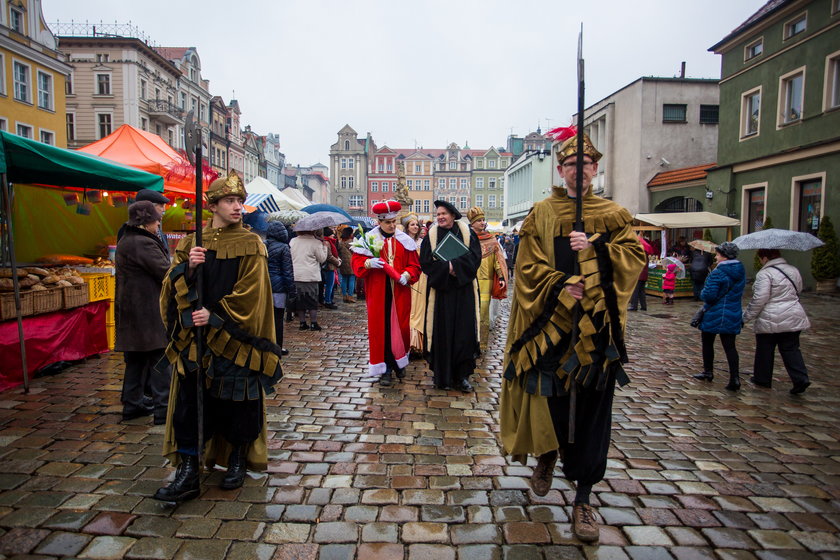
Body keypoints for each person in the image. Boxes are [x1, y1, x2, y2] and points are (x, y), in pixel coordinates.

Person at [499, 131, 645, 543]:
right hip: (552, 327)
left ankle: (583, 498)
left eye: (585, 166)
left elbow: (634, 259)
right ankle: (547, 452)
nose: (578, 172)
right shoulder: (542, 213)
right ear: (560, 171)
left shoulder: (615, 215)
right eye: (570, 166)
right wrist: (563, 282)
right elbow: (527, 268)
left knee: (595, 414)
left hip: (597, 331)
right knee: (552, 402)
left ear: (595, 170)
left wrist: (596, 252)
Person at [154, 171, 282, 503]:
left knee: (237, 401)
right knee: (190, 403)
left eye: (240, 200)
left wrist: (216, 316)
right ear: (213, 205)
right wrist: (189, 269)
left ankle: (237, 457)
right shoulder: (190, 242)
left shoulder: (252, 242)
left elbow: (252, 293)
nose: (238, 206)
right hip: (195, 339)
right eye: (230, 201)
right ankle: (188, 469)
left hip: (234, 339)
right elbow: (170, 287)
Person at [352, 201, 421, 387]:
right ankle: (385, 369)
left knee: (401, 328)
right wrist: (367, 264)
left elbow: (415, 265)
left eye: (394, 221)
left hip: (399, 293)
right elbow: (356, 263)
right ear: (379, 222)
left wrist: (407, 275)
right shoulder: (368, 239)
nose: (392, 225)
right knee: (381, 330)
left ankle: (399, 362)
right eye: (388, 222)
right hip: (378, 293)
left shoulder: (405, 241)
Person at [115, 201, 172, 425]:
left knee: (136, 360)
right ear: (146, 222)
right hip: (147, 310)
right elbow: (165, 272)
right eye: (156, 222)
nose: (158, 226)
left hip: (132, 309)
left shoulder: (127, 239)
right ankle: (164, 409)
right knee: (160, 359)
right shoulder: (142, 243)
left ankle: (132, 404)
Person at [419, 200, 481, 392]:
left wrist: (457, 267)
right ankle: (442, 376)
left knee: (463, 332)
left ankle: (462, 376)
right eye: (437, 214)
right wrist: (448, 268)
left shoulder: (467, 233)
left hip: (463, 290)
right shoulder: (431, 235)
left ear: (453, 216)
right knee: (442, 332)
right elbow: (426, 262)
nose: (440, 217)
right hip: (441, 292)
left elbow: (475, 257)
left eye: (444, 214)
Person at [742, 249, 811, 394]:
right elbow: (798, 289)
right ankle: (800, 378)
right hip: (793, 314)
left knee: (765, 349)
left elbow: (759, 299)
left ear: (765, 258)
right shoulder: (793, 270)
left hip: (771, 316)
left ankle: (762, 378)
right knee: (791, 349)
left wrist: (745, 317)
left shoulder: (765, 273)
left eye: (761, 258)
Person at [693, 241, 745, 391]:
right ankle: (734, 377)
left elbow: (708, 295)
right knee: (730, 347)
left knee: (708, 342)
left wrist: (702, 292)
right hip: (733, 311)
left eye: (718, 254)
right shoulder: (740, 270)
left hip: (715, 312)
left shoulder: (718, 272)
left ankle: (708, 372)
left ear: (724, 256)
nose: (716, 257)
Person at [467, 206, 509, 352]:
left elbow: (498, 260)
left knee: (484, 313)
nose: (482, 223)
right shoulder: (467, 238)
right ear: (472, 223)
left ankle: (481, 345)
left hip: (487, 280)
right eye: (479, 221)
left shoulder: (491, 239)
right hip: (470, 280)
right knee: (470, 313)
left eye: (483, 220)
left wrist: (501, 276)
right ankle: (470, 344)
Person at [265, 219, 295, 356]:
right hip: (279, 288)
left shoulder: (262, 245)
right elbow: (287, 272)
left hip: (264, 286)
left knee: (265, 318)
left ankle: (265, 346)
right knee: (278, 318)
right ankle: (278, 347)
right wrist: (292, 290)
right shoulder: (284, 247)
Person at [290, 227, 328, 331]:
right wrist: (324, 247)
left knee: (300, 300)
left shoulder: (293, 241)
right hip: (310, 275)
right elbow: (322, 259)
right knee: (312, 301)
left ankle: (302, 323)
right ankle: (313, 323)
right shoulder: (316, 242)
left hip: (297, 274)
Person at [118, 188, 171, 257]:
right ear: (149, 208)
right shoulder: (128, 230)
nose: (164, 210)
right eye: (161, 206)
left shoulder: (158, 231)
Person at [402, 214, 427, 355]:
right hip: (407, 276)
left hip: (421, 277)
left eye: (417, 225)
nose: (415, 227)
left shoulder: (422, 242)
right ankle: (408, 342)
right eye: (412, 225)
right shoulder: (402, 242)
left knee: (419, 309)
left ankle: (418, 344)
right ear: (407, 227)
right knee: (408, 308)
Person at [628, 235, 654, 311]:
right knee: (641, 291)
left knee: (635, 291)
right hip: (644, 275)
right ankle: (643, 306)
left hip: (638, 275)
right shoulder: (645, 254)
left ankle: (634, 306)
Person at [321, 227, 340, 309]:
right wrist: (337, 261)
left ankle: (330, 300)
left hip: (331, 266)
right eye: (332, 233)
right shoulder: (327, 242)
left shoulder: (329, 242)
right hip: (329, 266)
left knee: (331, 284)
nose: (333, 235)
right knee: (329, 285)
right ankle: (328, 301)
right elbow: (329, 256)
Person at [337, 227, 356, 303]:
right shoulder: (351, 242)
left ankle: (344, 296)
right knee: (352, 279)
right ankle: (350, 296)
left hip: (343, 263)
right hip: (351, 263)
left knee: (344, 279)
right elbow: (355, 252)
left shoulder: (340, 242)